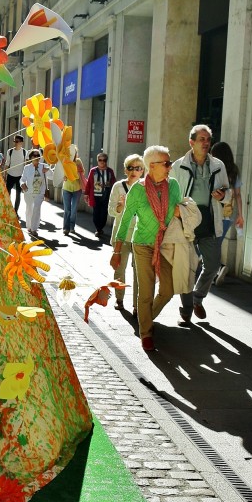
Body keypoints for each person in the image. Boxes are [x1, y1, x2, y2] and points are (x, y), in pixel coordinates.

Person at [111, 146, 182, 352]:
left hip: (165, 245)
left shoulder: (174, 186)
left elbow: (180, 210)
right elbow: (125, 221)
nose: (170, 167)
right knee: (146, 292)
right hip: (142, 244)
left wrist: (180, 212)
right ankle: (146, 333)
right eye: (166, 163)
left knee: (168, 290)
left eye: (169, 163)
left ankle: (146, 318)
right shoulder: (138, 190)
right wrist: (117, 251)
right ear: (152, 166)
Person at [170, 124, 228, 322]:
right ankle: (186, 310)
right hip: (186, 221)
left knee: (212, 265)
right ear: (191, 142)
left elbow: (227, 193)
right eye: (201, 139)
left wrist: (222, 196)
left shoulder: (218, 165)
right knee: (186, 269)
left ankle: (197, 298)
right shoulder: (178, 166)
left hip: (209, 221)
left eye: (208, 140)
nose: (205, 143)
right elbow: (170, 195)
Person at [108, 153, 144, 311]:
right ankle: (119, 299)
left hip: (140, 235)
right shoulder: (118, 186)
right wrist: (119, 207)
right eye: (130, 167)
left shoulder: (146, 187)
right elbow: (110, 211)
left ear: (143, 170)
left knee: (139, 273)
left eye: (138, 168)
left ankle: (137, 305)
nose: (134, 171)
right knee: (119, 269)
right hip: (121, 236)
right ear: (125, 170)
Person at [211, 140, 244, 285]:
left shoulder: (216, 168)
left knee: (211, 244)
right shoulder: (234, 170)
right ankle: (216, 269)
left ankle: (219, 268)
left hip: (216, 211)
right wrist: (240, 215)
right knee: (215, 243)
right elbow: (238, 194)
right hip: (229, 213)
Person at [85, 151, 116, 238]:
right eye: (100, 160)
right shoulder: (93, 171)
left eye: (104, 160)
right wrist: (86, 194)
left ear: (106, 161)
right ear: (97, 161)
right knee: (96, 213)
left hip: (106, 195)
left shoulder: (110, 171)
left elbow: (114, 183)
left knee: (104, 213)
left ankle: (100, 228)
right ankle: (98, 228)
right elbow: (89, 183)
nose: (102, 162)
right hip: (95, 196)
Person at [20, 149, 49, 238]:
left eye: (38, 156)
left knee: (36, 209)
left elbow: (52, 175)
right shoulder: (27, 167)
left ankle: (34, 229)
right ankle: (29, 226)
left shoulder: (44, 166)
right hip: (28, 192)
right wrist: (22, 184)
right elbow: (22, 179)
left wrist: (47, 170)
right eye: (34, 156)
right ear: (31, 158)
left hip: (40, 192)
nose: (36, 157)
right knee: (29, 209)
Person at [61, 143, 86, 236]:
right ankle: (66, 228)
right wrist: (63, 176)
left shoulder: (78, 161)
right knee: (67, 209)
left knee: (74, 209)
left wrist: (77, 169)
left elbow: (83, 171)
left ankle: (72, 227)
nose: (73, 154)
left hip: (77, 188)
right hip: (66, 188)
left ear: (76, 153)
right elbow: (61, 173)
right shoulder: (64, 161)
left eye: (74, 152)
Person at [4, 134, 26, 215]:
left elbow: (25, 165)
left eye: (17, 141)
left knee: (18, 194)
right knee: (7, 194)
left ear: (21, 143)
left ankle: (15, 211)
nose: (15, 143)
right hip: (10, 175)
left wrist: (25, 178)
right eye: (14, 141)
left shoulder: (24, 152)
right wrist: (5, 175)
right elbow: (7, 163)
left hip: (20, 176)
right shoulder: (10, 151)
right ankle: (8, 210)